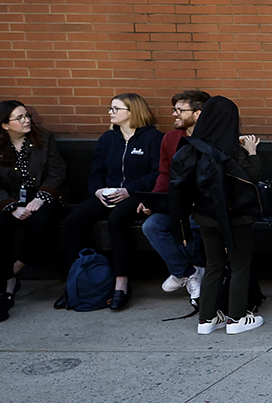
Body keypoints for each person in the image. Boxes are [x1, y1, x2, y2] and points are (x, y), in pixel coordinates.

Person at [57, 93, 163, 311]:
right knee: (72, 222)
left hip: (137, 194)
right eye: (110, 108)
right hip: (108, 194)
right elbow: (96, 172)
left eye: (116, 109)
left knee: (117, 220)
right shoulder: (107, 138)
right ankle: (75, 281)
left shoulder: (153, 138)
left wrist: (129, 190)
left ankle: (121, 283)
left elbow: (157, 173)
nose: (111, 113)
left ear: (132, 112)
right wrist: (98, 191)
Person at [169, 95, 264, 334]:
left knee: (214, 266)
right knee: (240, 265)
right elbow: (250, 178)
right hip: (236, 218)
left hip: (205, 216)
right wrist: (252, 153)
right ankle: (236, 319)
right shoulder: (232, 149)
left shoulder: (192, 148)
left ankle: (206, 319)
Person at [137, 91, 205, 304]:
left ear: (198, 113)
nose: (174, 114)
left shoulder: (214, 138)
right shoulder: (170, 138)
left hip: (205, 205)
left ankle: (200, 278)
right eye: (174, 109)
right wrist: (154, 200)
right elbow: (164, 173)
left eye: (179, 110)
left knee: (193, 224)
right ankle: (186, 272)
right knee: (152, 225)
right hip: (176, 204)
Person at [0, 100, 64, 320]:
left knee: (40, 220)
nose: (26, 121)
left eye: (27, 116)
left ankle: (13, 271)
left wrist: (40, 198)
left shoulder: (44, 139)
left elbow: (57, 172)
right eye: (19, 118)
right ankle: (8, 283)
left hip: (42, 198)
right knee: (2, 224)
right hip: (11, 201)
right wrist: (10, 206)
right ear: (4, 125)